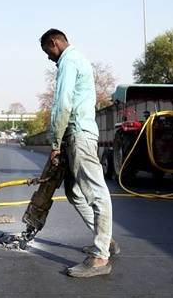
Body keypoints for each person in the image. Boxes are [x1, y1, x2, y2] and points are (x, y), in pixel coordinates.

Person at [40, 28, 116, 278]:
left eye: (47, 52)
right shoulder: (79, 59)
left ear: (54, 43)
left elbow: (62, 104)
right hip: (78, 134)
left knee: (96, 193)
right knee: (74, 191)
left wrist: (54, 143)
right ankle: (108, 241)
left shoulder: (68, 61)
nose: (49, 58)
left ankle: (100, 258)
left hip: (79, 135)